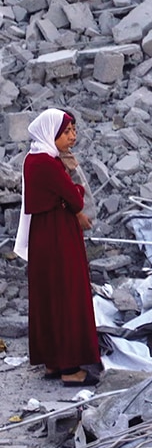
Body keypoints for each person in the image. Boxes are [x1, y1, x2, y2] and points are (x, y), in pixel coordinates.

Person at [14, 108, 100, 387]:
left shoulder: (33, 159)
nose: (72, 137)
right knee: (67, 294)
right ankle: (70, 368)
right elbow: (74, 199)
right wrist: (76, 192)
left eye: (73, 131)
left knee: (49, 295)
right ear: (50, 133)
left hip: (43, 234)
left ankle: (52, 361)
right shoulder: (48, 164)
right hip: (58, 235)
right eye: (66, 132)